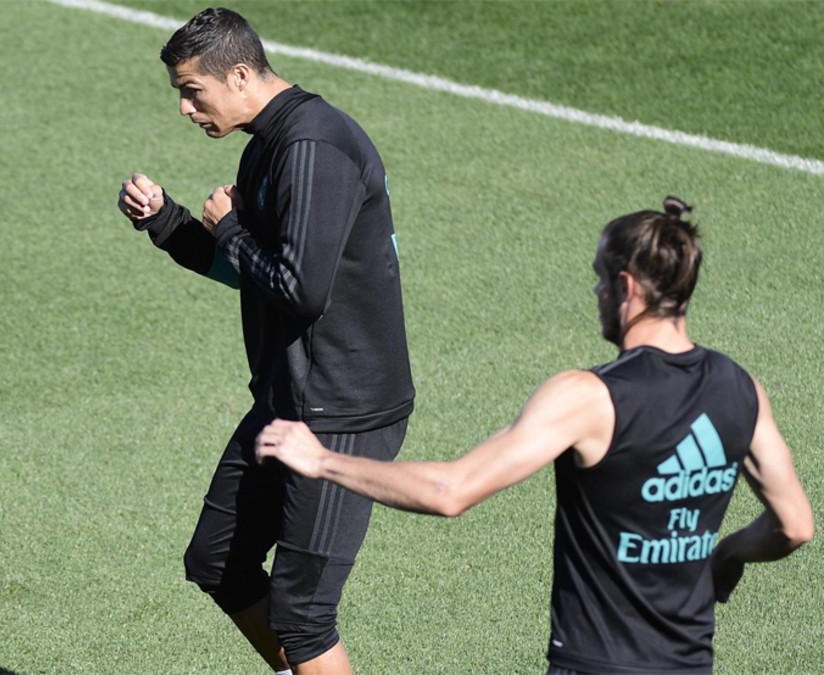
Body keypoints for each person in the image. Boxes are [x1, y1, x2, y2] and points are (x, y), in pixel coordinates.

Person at [257, 197, 814, 673]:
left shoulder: (589, 398)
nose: (596, 290)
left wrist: (323, 459)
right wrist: (728, 557)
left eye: (600, 277)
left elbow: (451, 492)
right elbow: (794, 525)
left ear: (626, 286)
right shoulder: (741, 389)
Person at [117, 8, 414, 674]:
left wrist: (231, 231)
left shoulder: (313, 146)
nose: (186, 108)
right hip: (290, 401)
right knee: (217, 559)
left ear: (242, 73)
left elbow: (300, 287)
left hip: (343, 412)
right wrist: (167, 222)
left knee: (304, 617)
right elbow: (254, 275)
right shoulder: (264, 148)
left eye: (192, 90)